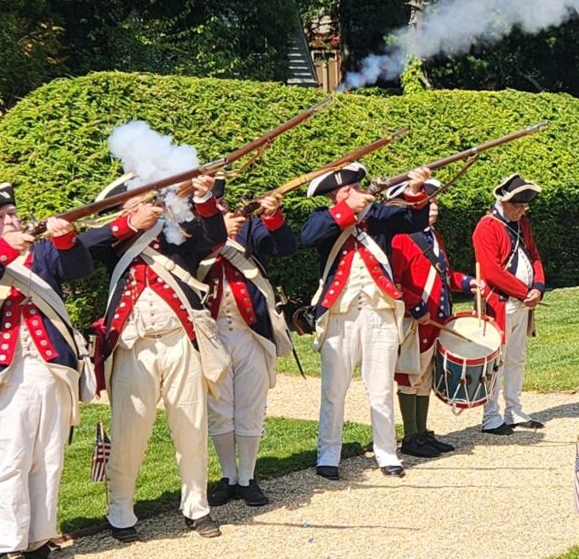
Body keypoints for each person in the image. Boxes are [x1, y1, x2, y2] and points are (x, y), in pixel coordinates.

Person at [0, 183, 155, 559]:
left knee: (49, 456)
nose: (10, 220)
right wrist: (5, 251)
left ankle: (40, 538)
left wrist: (64, 240)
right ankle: (8, 544)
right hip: (9, 372)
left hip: (53, 369)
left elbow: (78, 269)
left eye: (11, 214)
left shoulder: (41, 252)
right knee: (11, 457)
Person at [96, 170, 228, 539]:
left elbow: (213, 237)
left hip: (180, 339)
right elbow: (82, 249)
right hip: (132, 344)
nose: (149, 206)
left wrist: (203, 199)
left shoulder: (177, 231)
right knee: (128, 431)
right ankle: (120, 510)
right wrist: (127, 224)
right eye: (136, 201)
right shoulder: (115, 239)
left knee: (191, 426)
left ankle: (196, 506)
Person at [299, 166, 423, 479]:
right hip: (338, 314)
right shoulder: (322, 218)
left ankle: (387, 453)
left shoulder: (379, 215)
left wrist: (414, 189)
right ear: (335, 197)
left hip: (379, 310)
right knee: (333, 390)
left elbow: (415, 220)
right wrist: (345, 212)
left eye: (355, 188)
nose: (353, 194)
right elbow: (308, 237)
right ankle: (328, 455)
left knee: (380, 387)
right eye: (346, 192)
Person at [201, 187, 299, 507]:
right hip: (210, 334)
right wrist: (216, 236)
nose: (219, 204)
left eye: (219, 199)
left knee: (251, 407)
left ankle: (247, 477)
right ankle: (228, 476)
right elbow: (184, 263)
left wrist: (272, 217)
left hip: (251, 331)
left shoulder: (244, 224)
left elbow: (284, 247)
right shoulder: (191, 229)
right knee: (219, 410)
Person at [385, 182, 469, 458]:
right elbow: (394, 281)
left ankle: (421, 432)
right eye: (427, 202)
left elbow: (444, 275)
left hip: (436, 317)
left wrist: (468, 282)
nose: (434, 206)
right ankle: (410, 436)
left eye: (434, 201)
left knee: (424, 377)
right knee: (410, 375)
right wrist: (415, 306)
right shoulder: (399, 237)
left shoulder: (432, 235)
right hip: (417, 318)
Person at [473, 172, 546, 434]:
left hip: (522, 303)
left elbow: (534, 256)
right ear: (503, 202)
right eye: (518, 206)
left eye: (525, 207)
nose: (522, 211)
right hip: (500, 304)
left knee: (517, 358)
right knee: (496, 361)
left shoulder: (522, 223)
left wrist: (538, 288)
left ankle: (514, 410)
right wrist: (523, 291)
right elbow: (492, 271)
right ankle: (491, 416)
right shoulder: (487, 227)